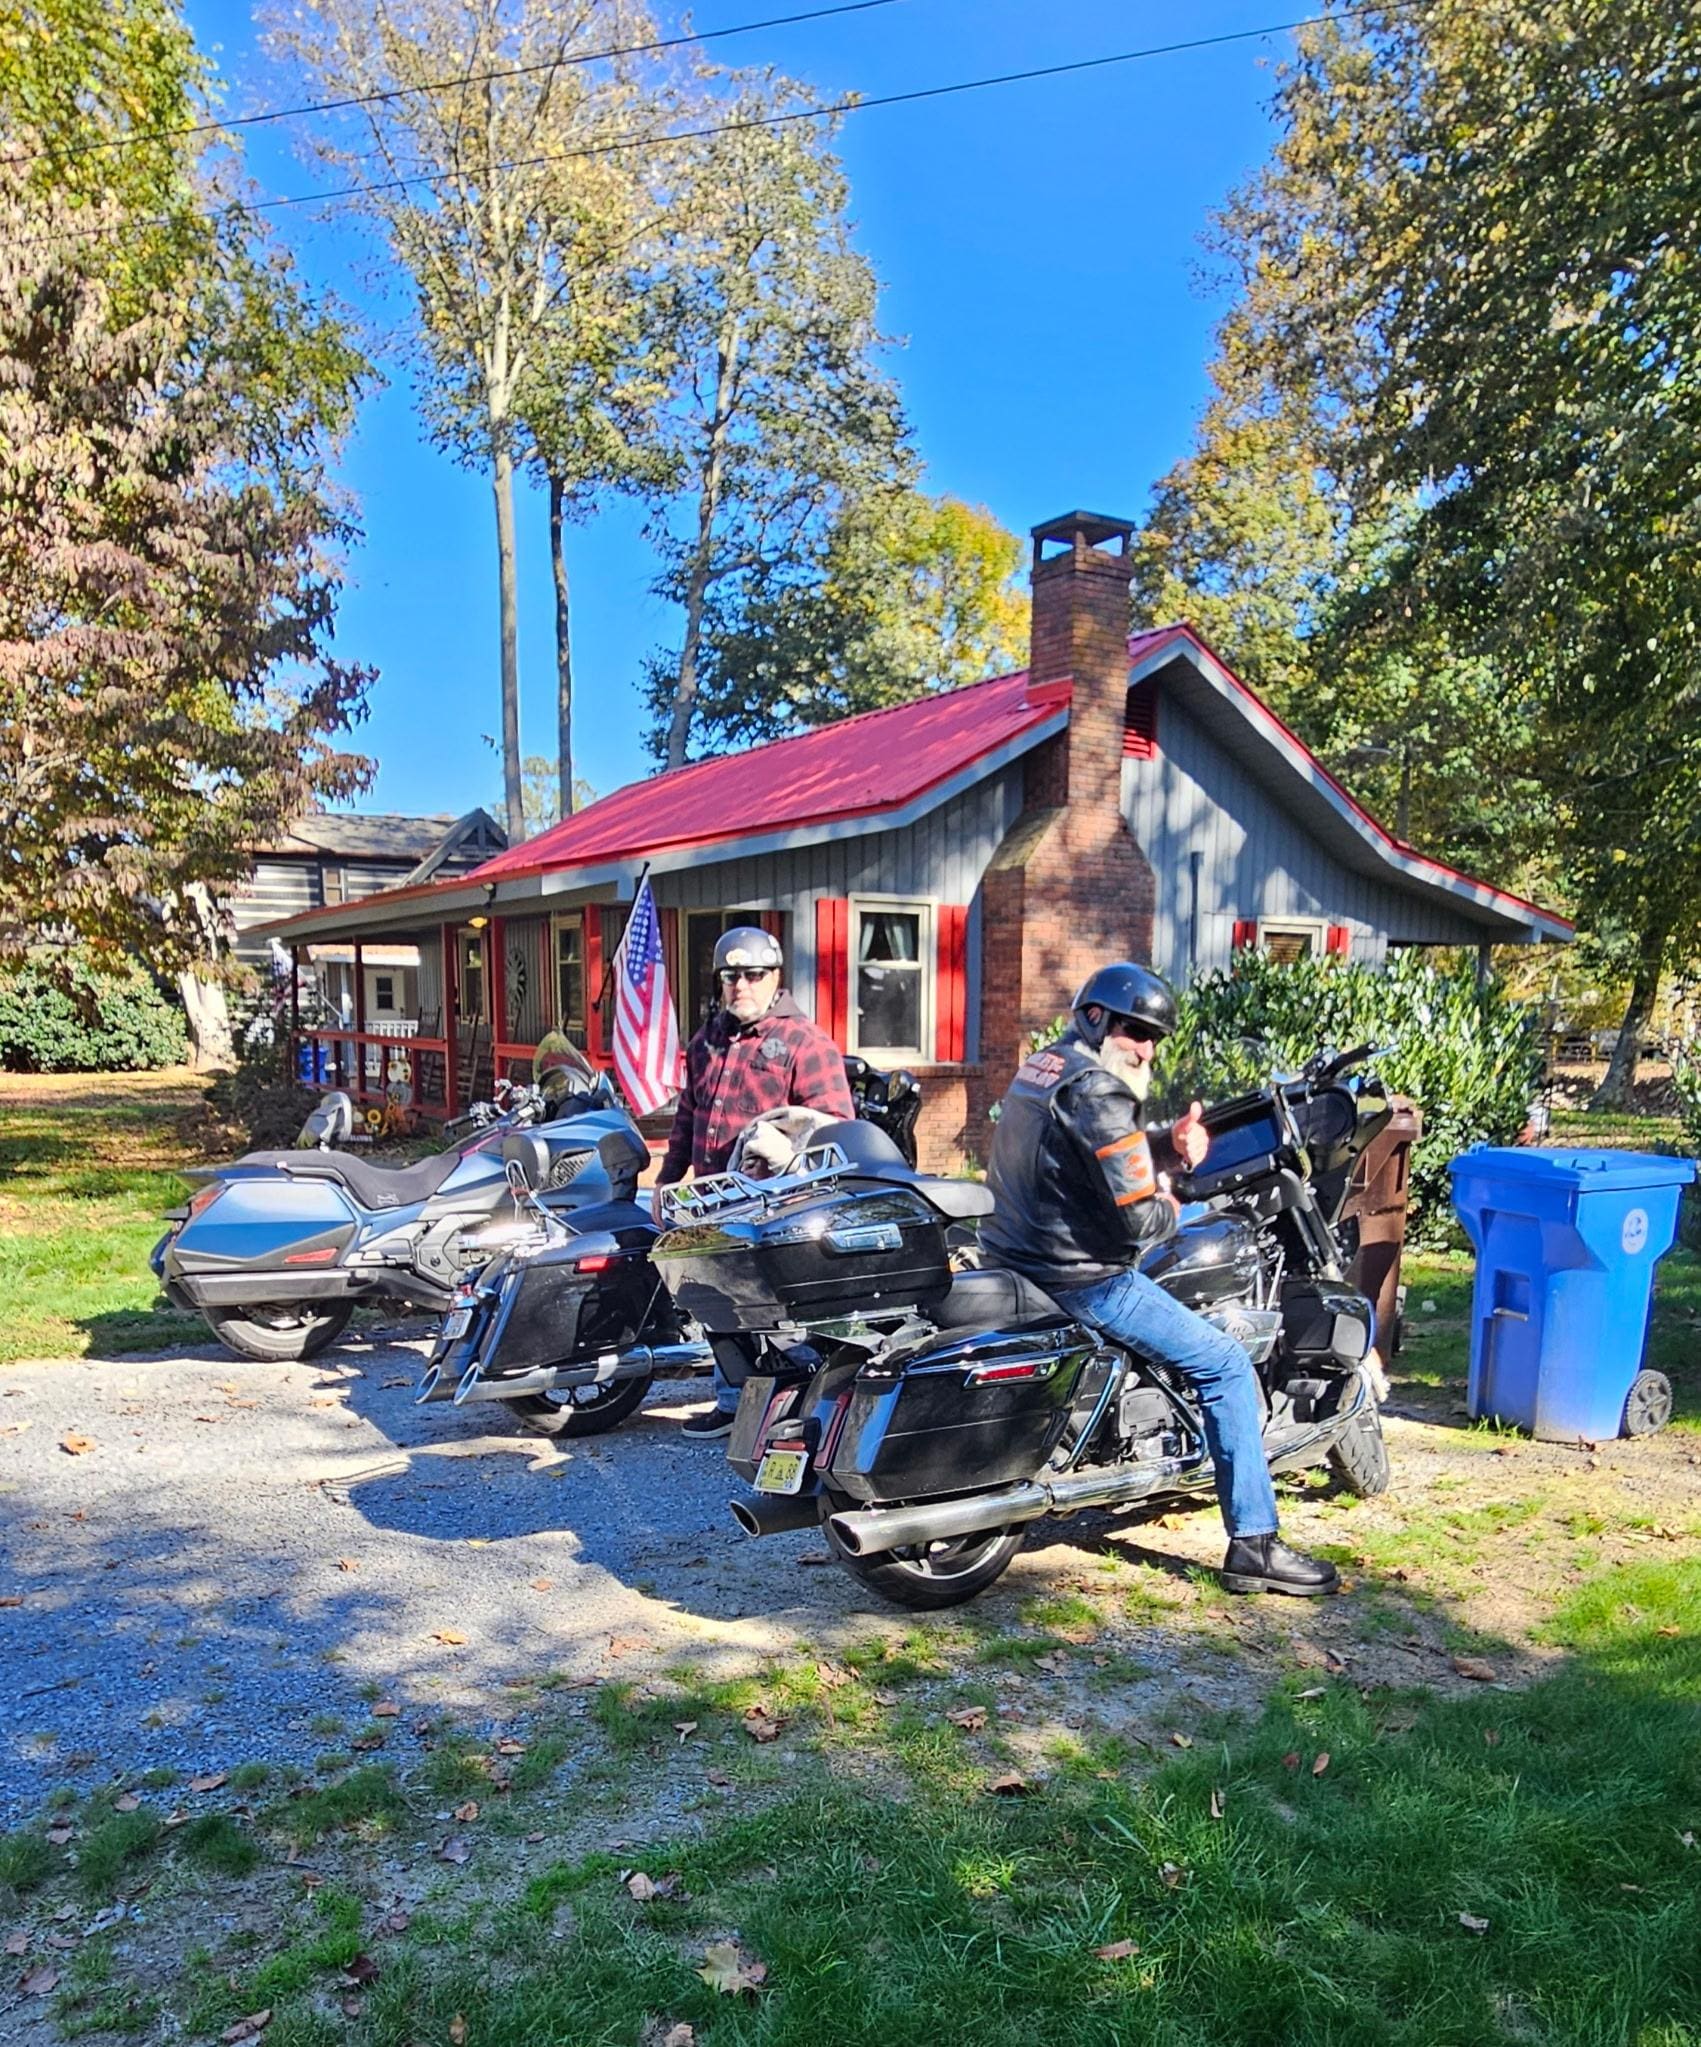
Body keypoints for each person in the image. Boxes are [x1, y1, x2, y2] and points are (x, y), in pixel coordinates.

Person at [979, 961, 1339, 1596]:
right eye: (1136, 1031)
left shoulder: (1047, 1068)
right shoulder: (1100, 1089)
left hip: (1016, 1257)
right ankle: (1255, 1545)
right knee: (1225, 1363)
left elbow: (1095, 1148)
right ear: (1096, 1018)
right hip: (1081, 1277)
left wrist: (1167, 1144)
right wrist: (1174, 1203)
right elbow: (1140, 1219)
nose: (1146, 1048)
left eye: (1155, 1038)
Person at [655, 925, 854, 1438]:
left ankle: (807, 1400)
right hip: (712, 1199)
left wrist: (786, 1153)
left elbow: (837, 1127)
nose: (741, 985)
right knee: (713, 1303)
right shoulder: (707, 1041)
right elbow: (686, 1118)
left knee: (772, 1315)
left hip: (775, 1204)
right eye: (731, 976)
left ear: (775, 977)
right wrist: (666, 1180)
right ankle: (734, 1404)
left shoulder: (805, 1043)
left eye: (753, 974)